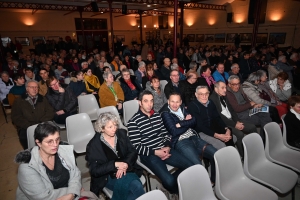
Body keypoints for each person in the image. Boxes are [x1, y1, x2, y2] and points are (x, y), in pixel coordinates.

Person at [128, 91, 193, 194]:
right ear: (140, 103)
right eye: (146, 101)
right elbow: (136, 147)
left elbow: (166, 133)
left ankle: (169, 185)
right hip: (149, 154)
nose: (149, 104)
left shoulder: (156, 115)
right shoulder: (133, 122)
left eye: (151, 101)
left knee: (190, 166)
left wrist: (167, 146)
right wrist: (156, 152)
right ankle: (177, 192)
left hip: (164, 148)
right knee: (170, 181)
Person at [160, 92, 217, 183]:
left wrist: (181, 123)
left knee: (215, 154)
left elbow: (194, 120)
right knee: (198, 165)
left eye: (177, 102)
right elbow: (174, 132)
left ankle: (213, 181)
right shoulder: (165, 113)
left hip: (193, 137)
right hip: (180, 141)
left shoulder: (182, 107)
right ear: (168, 102)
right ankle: (204, 187)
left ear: (181, 102)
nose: (175, 105)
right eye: (172, 102)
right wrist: (187, 122)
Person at [15, 122, 81, 199]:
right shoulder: (27, 167)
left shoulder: (64, 151)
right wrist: (73, 191)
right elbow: (43, 197)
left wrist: (72, 193)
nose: (55, 145)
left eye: (57, 139)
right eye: (49, 142)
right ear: (38, 143)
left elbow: (75, 173)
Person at [86, 112, 145, 198]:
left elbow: (133, 151)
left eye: (115, 125)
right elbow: (94, 171)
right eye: (110, 127)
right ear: (102, 129)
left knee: (133, 191)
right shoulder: (93, 146)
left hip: (127, 170)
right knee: (136, 187)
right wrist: (114, 164)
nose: (114, 129)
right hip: (108, 177)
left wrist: (125, 163)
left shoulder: (121, 134)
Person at [209, 81, 257, 157]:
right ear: (216, 89)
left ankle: (255, 148)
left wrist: (237, 121)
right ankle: (243, 156)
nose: (225, 90)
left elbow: (232, 110)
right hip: (224, 123)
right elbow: (220, 117)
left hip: (232, 120)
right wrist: (235, 125)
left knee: (252, 127)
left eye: (225, 87)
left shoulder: (224, 95)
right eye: (222, 88)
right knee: (239, 134)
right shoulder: (212, 100)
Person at [11, 80, 54, 149]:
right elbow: (16, 117)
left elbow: (50, 111)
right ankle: (29, 152)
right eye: (32, 87)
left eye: (36, 87)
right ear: (27, 89)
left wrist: (41, 122)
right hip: (26, 126)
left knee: (51, 134)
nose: (34, 89)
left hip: (42, 123)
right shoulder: (18, 101)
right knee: (24, 137)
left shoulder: (43, 99)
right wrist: (29, 125)